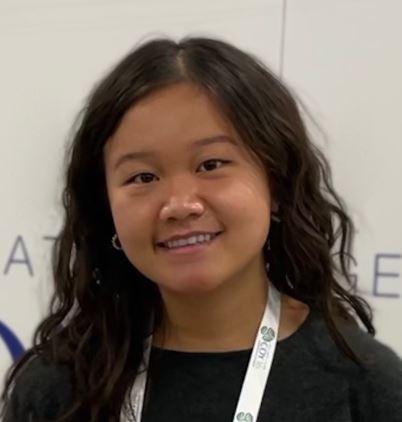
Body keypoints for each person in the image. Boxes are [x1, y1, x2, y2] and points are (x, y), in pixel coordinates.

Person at [1, 36, 402, 422]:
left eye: (211, 165)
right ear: (105, 206)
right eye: (143, 177)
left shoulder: (363, 387)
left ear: (277, 184)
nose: (179, 205)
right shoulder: (58, 388)